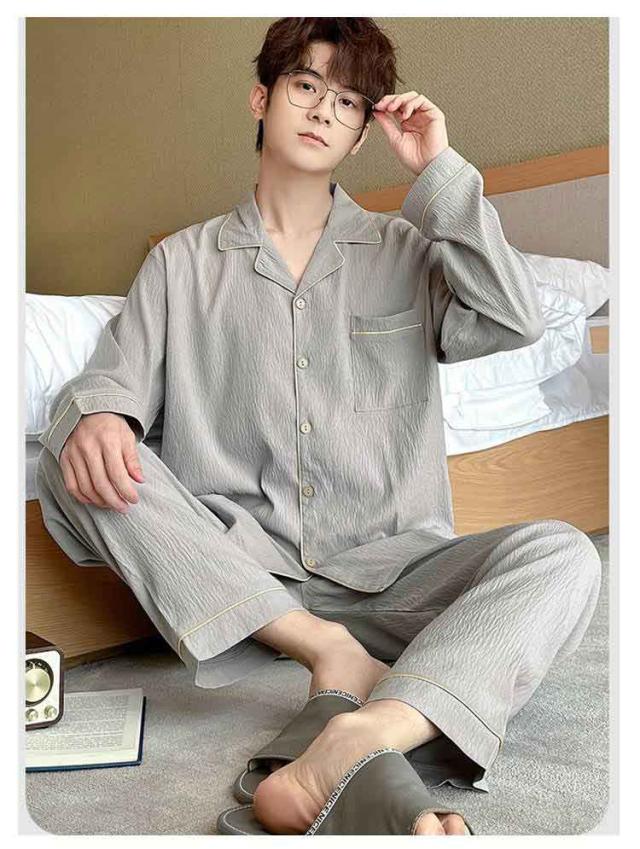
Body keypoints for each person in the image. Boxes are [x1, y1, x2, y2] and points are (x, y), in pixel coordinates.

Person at [36, 18, 602, 836]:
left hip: (394, 572)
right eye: (306, 85)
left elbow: (515, 318)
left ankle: (365, 732)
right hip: (244, 570)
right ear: (261, 98)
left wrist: (440, 171)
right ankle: (327, 651)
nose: (322, 111)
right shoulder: (181, 263)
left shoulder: (408, 250)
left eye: (348, 102)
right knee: (74, 443)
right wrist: (98, 411)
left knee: (565, 554)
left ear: (362, 131)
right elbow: (111, 380)